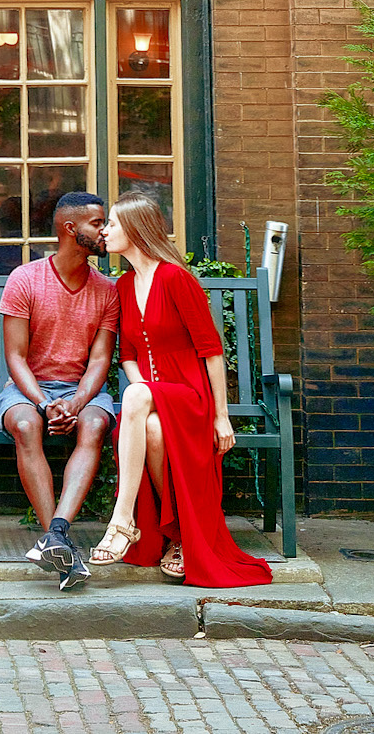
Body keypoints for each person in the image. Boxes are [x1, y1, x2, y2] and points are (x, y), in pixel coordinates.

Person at [91, 193, 273, 589]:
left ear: (136, 230)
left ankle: (122, 521)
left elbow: (211, 351)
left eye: (114, 225)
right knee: (150, 426)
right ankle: (177, 538)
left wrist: (222, 417)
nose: (105, 231)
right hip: (155, 398)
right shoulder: (123, 285)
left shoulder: (176, 279)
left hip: (191, 397)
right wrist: (145, 393)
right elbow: (129, 355)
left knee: (136, 397)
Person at [0, 191, 119, 592]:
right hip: (29, 389)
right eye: (98, 223)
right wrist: (45, 403)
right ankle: (59, 540)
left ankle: (56, 535)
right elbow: (15, 357)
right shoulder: (25, 279)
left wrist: (77, 401)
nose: (105, 231)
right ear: (71, 229)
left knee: (96, 425)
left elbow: (100, 360)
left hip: (82, 391)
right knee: (27, 426)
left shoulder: (107, 290)